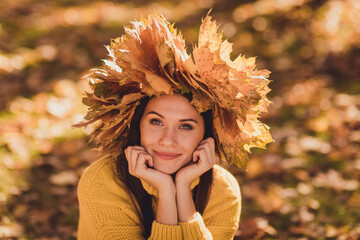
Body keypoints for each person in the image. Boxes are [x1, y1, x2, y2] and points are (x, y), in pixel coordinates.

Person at [75, 12, 272, 239]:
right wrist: (166, 190)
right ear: (137, 125)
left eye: (185, 126)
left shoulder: (222, 191)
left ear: (206, 135)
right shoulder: (104, 181)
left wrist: (181, 189)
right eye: (156, 122)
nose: (168, 140)